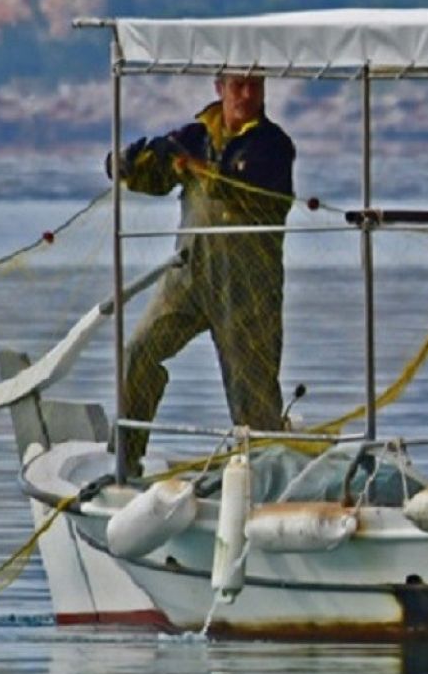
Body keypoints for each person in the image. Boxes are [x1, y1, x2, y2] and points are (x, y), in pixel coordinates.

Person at [107, 72, 296, 476]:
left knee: (253, 395)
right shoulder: (195, 135)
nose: (247, 94)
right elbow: (154, 177)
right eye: (238, 85)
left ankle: (267, 477)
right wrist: (125, 164)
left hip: (247, 288)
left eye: (255, 85)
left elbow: (242, 187)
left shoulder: (273, 145)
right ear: (219, 88)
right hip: (187, 277)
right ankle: (125, 460)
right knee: (138, 352)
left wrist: (193, 165)